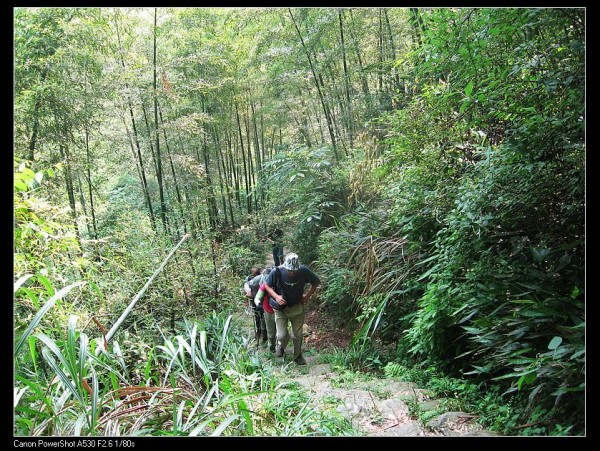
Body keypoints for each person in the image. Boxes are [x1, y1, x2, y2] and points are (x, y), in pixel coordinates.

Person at [264, 252, 320, 365]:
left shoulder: (303, 271)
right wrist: (276, 296)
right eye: (290, 270)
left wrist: (307, 296)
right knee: (282, 335)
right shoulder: (277, 271)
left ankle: (298, 356)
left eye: (295, 270)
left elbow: (316, 282)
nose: (292, 272)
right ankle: (281, 345)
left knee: (297, 335)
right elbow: (267, 285)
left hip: (297, 307)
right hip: (281, 309)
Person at [251, 266, 277, 352]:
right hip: (267, 309)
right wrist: (259, 304)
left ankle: (278, 347)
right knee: (270, 330)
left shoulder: (279, 282)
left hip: (278, 310)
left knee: (279, 331)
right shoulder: (260, 282)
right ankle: (271, 346)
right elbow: (257, 296)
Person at [245, 267, 267, 345]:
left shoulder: (259, 278)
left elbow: (246, 285)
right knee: (258, 316)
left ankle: (262, 333)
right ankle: (259, 331)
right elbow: (247, 286)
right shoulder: (251, 279)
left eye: (253, 272)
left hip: (260, 299)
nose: (252, 274)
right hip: (255, 299)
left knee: (260, 316)